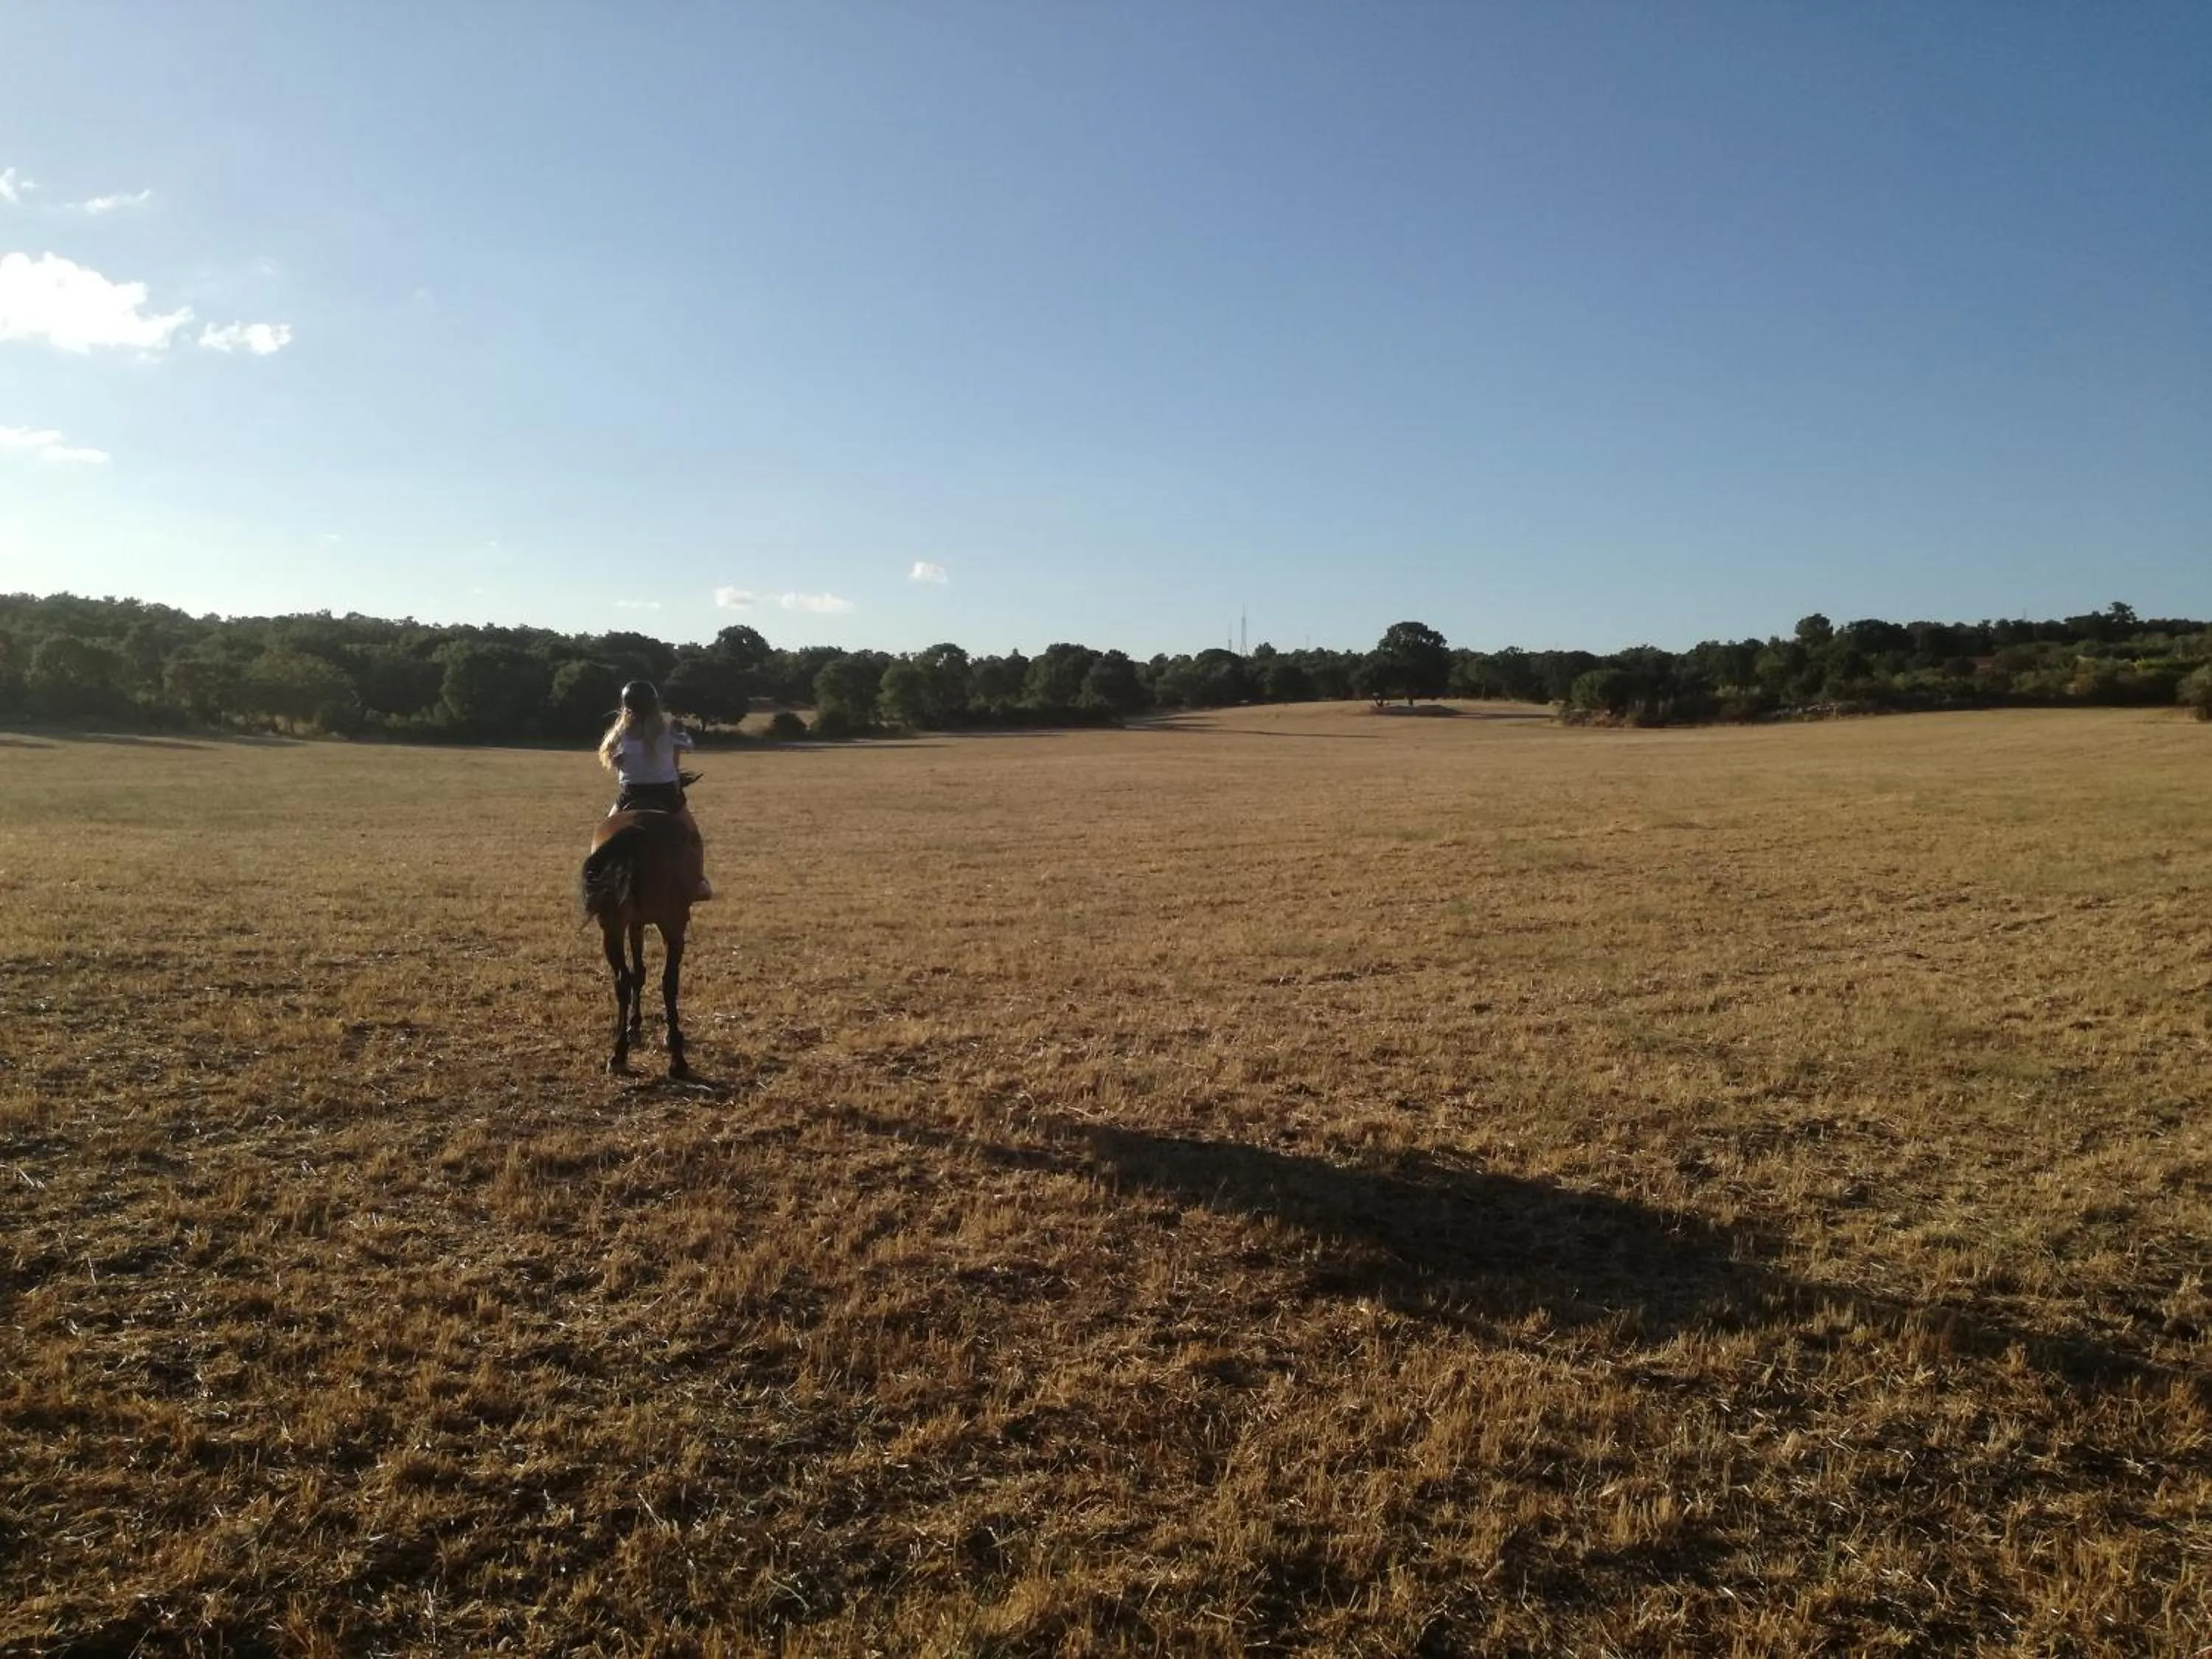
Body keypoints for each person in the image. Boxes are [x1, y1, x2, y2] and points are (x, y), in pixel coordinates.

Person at [598, 680, 712, 901]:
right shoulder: (670, 731)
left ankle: (600, 881)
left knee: (604, 838)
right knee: (693, 837)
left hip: (630, 795)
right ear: (655, 704)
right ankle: (699, 882)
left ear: (625, 706)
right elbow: (684, 750)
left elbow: (615, 763)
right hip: (666, 795)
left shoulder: (618, 736)